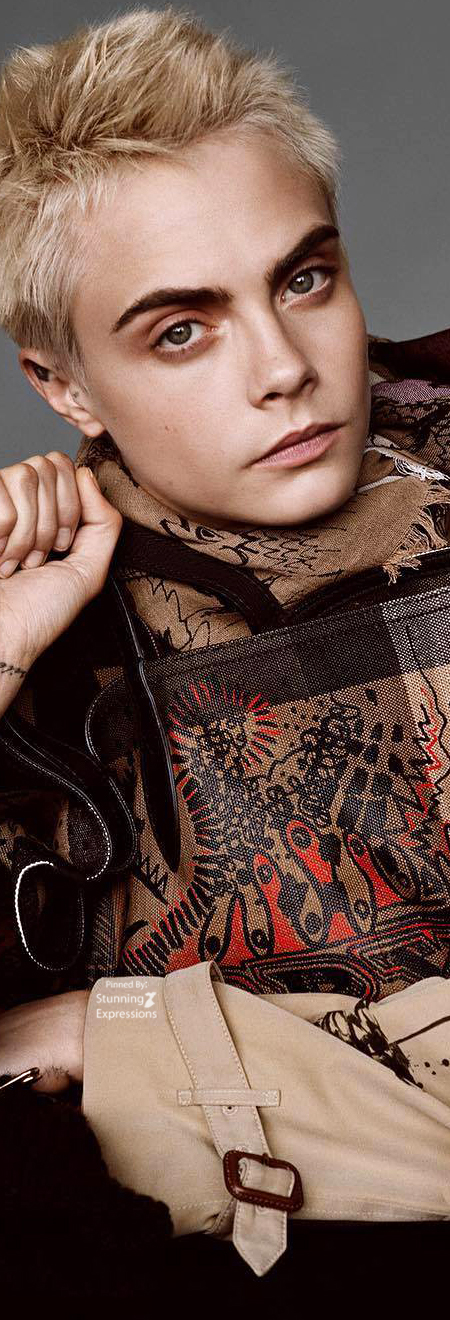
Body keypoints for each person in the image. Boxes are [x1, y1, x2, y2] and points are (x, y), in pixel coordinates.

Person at [0, 5, 450, 1299]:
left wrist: (129, 1048)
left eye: (303, 278)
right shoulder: (47, 623)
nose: (284, 368)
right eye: (180, 329)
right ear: (64, 384)